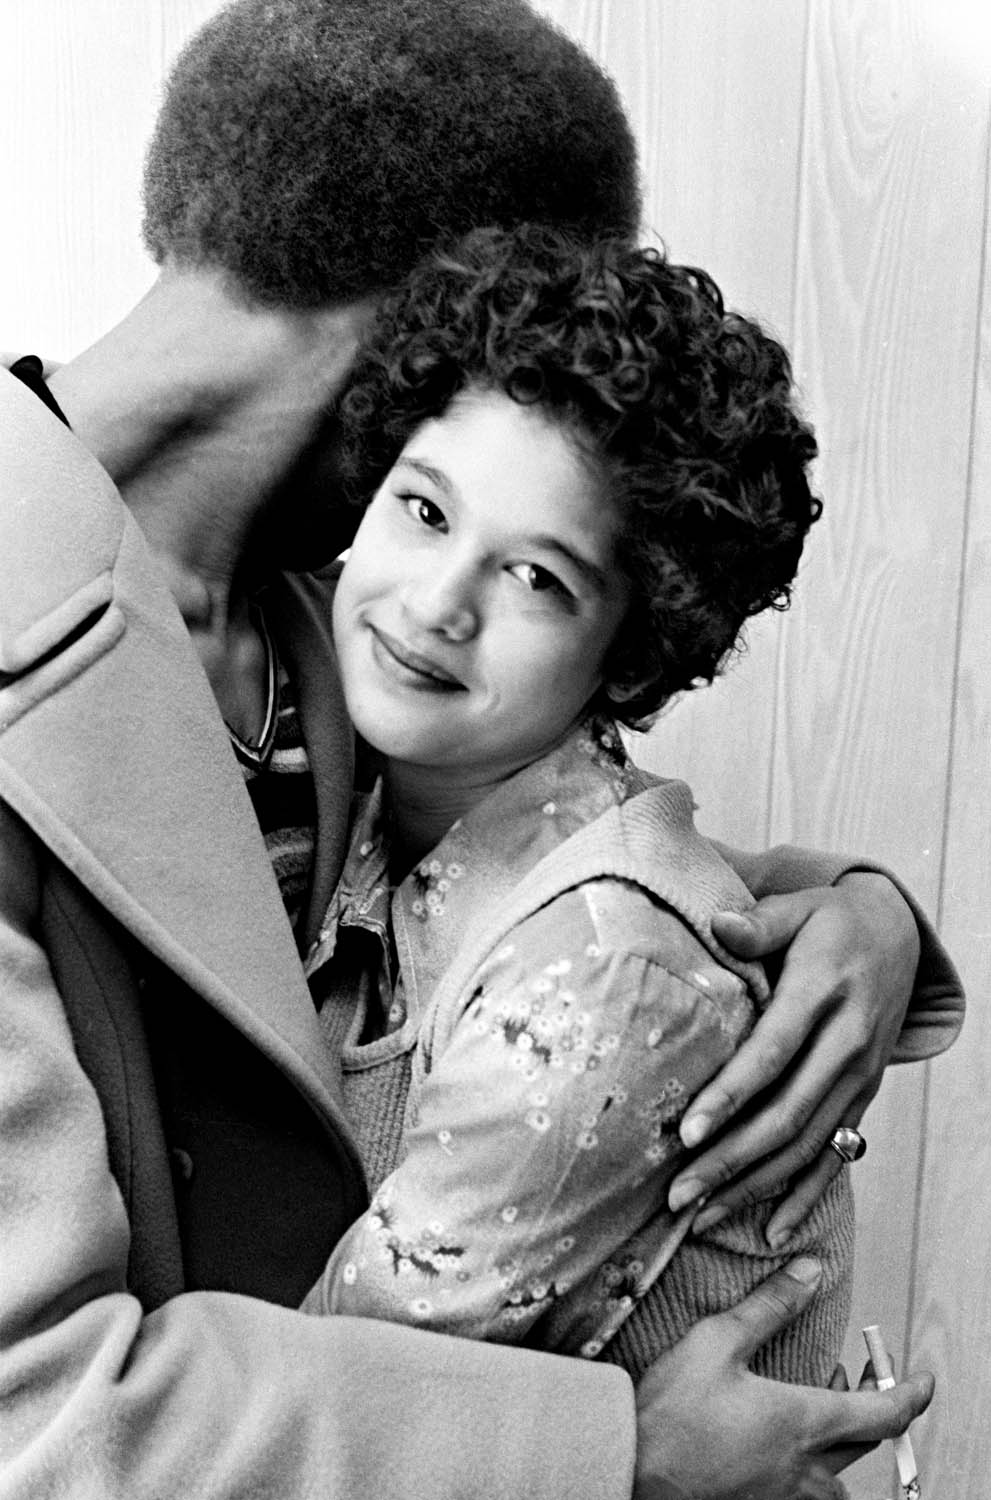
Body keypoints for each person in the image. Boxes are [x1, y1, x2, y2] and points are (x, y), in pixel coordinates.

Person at [0, 1, 961, 1497]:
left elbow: (532, 881)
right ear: (440, 324)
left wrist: (852, 913)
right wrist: (616, 1453)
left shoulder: (320, 613)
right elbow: (42, 1424)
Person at [296, 225, 944, 1388]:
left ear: (630, 650)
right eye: (425, 511)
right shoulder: (373, 778)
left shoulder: (601, 972)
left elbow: (337, 1399)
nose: (437, 603)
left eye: (536, 578)